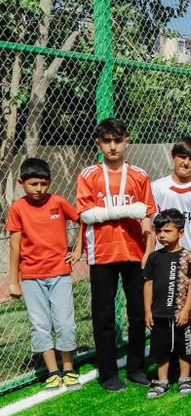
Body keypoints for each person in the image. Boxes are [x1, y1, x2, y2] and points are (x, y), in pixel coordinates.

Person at [77, 118, 156, 392]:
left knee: (138, 314)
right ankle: (108, 373)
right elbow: (86, 215)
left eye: (117, 141)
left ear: (127, 143)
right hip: (102, 253)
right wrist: (124, 211)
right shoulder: (89, 175)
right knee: (104, 316)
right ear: (98, 144)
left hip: (134, 252)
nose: (112, 147)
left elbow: (147, 214)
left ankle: (136, 368)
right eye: (107, 141)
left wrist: (148, 250)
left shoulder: (139, 175)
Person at [8, 157, 81, 390]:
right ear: (21, 183)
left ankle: (68, 368)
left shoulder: (58, 202)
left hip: (60, 274)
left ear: (49, 182)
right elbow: (15, 246)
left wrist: (78, 249)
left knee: (65, 323)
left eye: (44, 184)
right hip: (31, 278)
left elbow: (83, 220)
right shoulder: (17, 208)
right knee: (40, 325)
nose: (39, 189)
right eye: (33, 184)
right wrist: (14, 282)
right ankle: (53, 371)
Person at [142, 209, 191, 398]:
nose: (162, 235)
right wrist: (147, 311)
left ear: (180, 233)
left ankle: (185, 378)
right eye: (159, 231)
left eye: (167, 231)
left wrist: (186, 309)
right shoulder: (153, 257)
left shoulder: (189, 257)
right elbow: (148, 284)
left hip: (183, 314)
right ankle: (162, 381)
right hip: (159, 313)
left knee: (185, 347)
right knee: (161, 348)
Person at [151, 137, 191, 251]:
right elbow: (151, 227)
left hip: (189, 254)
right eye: (182, 157)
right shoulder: (157, 187)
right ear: (173, 156)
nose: (186, 163)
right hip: (162, 255)